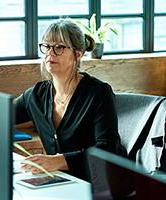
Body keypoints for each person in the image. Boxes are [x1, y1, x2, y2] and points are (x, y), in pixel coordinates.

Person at [14, 18, 125, 181]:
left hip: (102, 183)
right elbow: (0, 114)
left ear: (77, 54)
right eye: (46, 46)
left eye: (59, 47)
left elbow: (107, 151)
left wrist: (57, 161)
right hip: (62, 183)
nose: (50, 53)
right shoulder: (36, 95)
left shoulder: (99, 93)